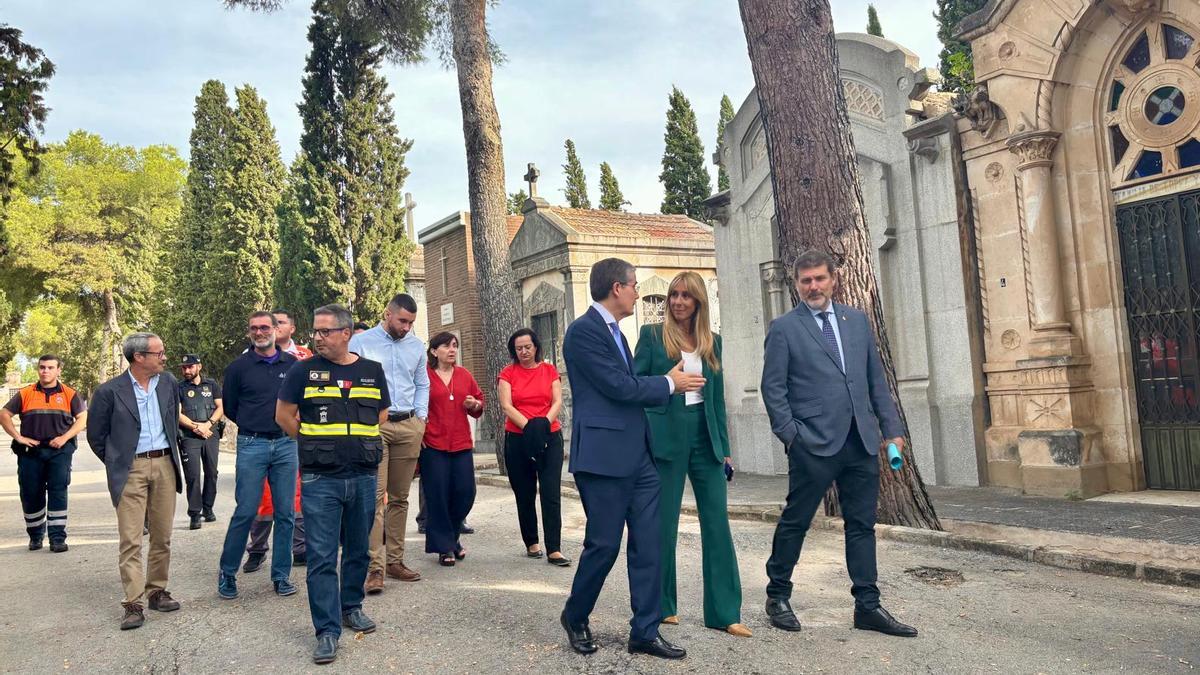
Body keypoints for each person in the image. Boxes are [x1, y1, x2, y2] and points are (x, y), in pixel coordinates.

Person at [760, 249, 917, 638]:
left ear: (834, 279)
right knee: (796, 521)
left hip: (860, 441)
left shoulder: (856, 321)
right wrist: (792, 437)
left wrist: (891, 430)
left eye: (819, 278)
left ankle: (867, 606)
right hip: (812, 444)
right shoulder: (784, 328)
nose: (813, 286)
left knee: (861, 525)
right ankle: (777, 594)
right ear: (796, 284)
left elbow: (875, 381)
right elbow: (773, 389)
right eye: (805, 280)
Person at [559, 258, 705, 660]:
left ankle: (645, 629)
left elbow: (628, 384)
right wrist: (668, 384)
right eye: (634, 285)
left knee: (650, 544)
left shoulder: (618, 334)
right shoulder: (583, 332)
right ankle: (576, 614)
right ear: (616, 288)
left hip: (640, 458)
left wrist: (666, 382)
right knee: (604, 546)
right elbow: (618, 387)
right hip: (603, 459)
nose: (638, 292)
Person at [633, 271, 749, 637]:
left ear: (699, 301)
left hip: (705, 435)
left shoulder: (713, 342)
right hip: (666, 434)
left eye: (686, 296)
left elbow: (716, 400)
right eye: (674, 295)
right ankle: (663, 605)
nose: (679, 301)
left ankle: (725, 612)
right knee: (663, 522)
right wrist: (665, 383)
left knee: (717, 523)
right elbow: (634, 387)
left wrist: (725, 450)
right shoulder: (652, 337)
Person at [276, 304, 388, 665]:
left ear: (347, 333)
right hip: (320, 478)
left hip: (363, 476)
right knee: (322, 557)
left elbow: (380, 415)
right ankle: (326, 630)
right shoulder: (301, 371)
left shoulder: (373, 372)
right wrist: (314, 444)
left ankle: (351, 606)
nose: (318, 338)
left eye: (325, 331)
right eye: (315, 331)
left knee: (358, 550)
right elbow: (284, 416)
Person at [86, 333, 184, 630]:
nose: (164, 357)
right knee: (131, 539)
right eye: (159, 353)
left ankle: (157, 591)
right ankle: (133, 603)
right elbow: (96, 436)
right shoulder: (109, 392)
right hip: (131, 468)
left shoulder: (167, 383)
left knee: (162, 534)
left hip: (165, 463)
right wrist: (119, 461)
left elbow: (173, 416)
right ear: (139, 357)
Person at [348, 293, 429, 593]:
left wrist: (420, 418)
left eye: (411, 323)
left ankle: (395, 561)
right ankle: (375, 568)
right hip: (375, 427)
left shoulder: (416, 347)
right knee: (375, 499)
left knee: (400, 497)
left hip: (408, 425)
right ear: (387, 313)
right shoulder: (361, 343)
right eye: (402, 321)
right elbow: (350, 383)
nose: (406, 328)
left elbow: (422, 383)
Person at [218, 311, 300, 600]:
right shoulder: (238, 367)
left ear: (276, 330)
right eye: (254, 328)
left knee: (286, 513)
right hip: (252, 444)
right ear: (249, 332)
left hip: (287, 445)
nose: (259, 332)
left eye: (265, 327)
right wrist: (255, 423)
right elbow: (230, 407)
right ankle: (227, 572)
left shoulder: (292, 365)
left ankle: (281, 576)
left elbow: (300, 402)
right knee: (246, 511)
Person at [245, 309, 311, 567]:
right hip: (260, 436)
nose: (275, 326)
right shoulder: (249, 357)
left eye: (280, 322)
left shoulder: (304, 358)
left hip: (293, 435)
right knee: (261, 495)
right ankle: (258, 549)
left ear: (291, 328)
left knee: (296, 492)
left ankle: (300, 547)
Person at [0, 354, 87, 552]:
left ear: (58, 370)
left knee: (58, 491)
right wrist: (18, 437)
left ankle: (57, 538)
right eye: (42, 367)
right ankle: (36, 536)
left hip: (59, 452)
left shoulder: (69, 394)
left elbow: (82, 418)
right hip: (31, 453)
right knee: (31, 493)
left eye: (50, 367)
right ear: (38, 369)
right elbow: (4, 414)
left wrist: (65, 438)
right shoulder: (25, 393)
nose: (45, 371)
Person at [497, 328, 569, 567]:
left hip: (549, 435)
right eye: (519, 348)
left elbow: (557, 400)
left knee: (550, 491)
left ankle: (554, 548)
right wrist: (529, 427)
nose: (524, 352)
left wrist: (543, 424)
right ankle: (532, 542)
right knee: (525, 493)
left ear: (536, 346)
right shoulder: (507, 373)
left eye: (527, 347)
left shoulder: (549, 370)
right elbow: (506, 406)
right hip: (519, 436)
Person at [420, 332, 482, 567]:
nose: (452, 350)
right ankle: (445, 547)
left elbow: (478, 401)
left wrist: (474, 405)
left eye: (455, 345)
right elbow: (417, 404)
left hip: (460, 443)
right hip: (433, 444)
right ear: (434, 351)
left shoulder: (464, 374)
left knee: (465, 493)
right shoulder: (424, 375)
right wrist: (419, 433)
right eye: (446, 346)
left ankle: (453, 536)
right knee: (438, 496)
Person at [177, 354, 223, 530]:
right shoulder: (179, 388)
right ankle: (195, 514)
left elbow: (220, 406)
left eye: (190, 367)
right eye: (184, 367)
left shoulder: (211, 385)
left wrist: (208, 425)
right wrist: (196, 427)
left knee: (212, 473)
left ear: (199, 367)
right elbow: (177, 413)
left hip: (211, 434)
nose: (187, 370)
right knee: (193, 476)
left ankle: (208, 508)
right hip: (190, 436)